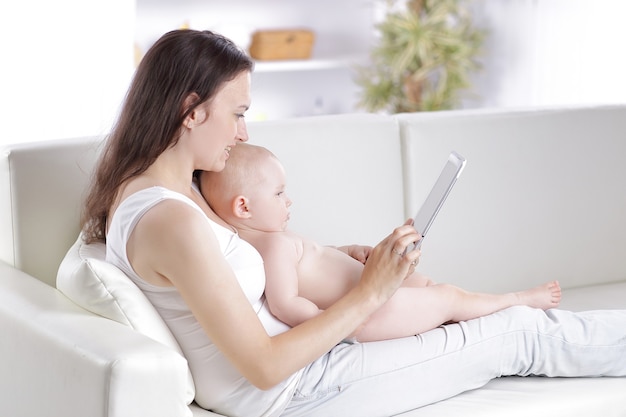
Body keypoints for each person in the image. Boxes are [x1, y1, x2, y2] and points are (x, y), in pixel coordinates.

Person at [81, 29, 626, 417]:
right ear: (191, 109)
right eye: (238, 113)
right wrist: (371, 292)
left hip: (314, 362)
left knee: (464, 316)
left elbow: (235, 261)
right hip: (299, 389)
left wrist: (339, 255)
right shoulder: (170, 219)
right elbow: (265, 367)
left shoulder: (158, 189)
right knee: (519, 332)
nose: (243, 134)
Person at [200, 143, 563, 342]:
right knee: (448, 295)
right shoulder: (270, 246)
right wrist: (336, 327)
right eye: (279, 193)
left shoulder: (272, 238)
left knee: (426, 284)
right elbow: (285, 303)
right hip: (367, 313)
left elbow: (311, 266)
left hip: (371, 294)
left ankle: (468, 313)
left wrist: (347, 253)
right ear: (243, 206)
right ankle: (519, 300)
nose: (289, 200)